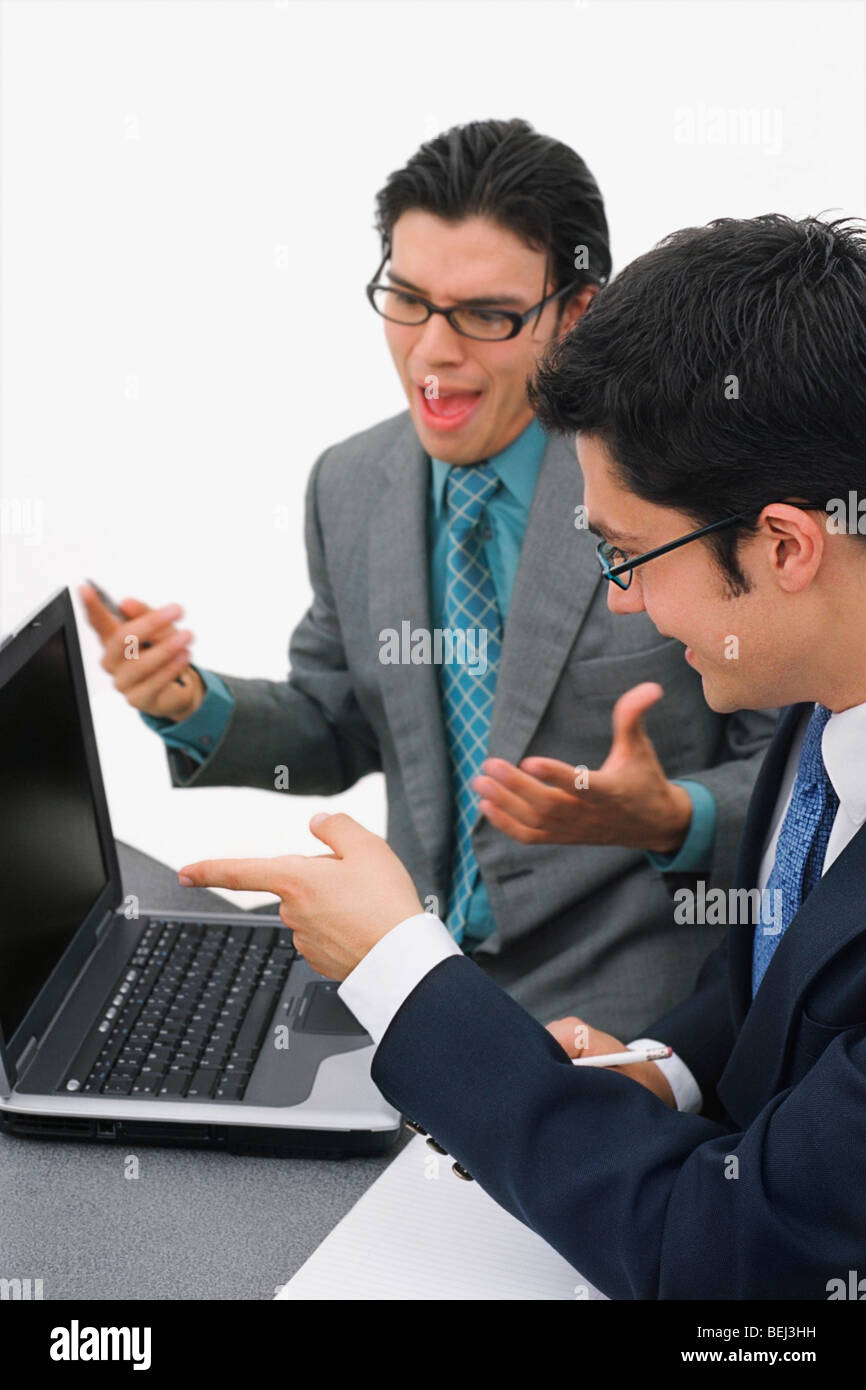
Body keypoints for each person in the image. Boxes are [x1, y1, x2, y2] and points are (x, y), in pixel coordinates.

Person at [178, 213, 866, 1300]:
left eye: (629, 553)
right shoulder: (821, 694)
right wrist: (668, 1071)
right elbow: (792, 978)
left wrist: (395, 969)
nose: (623, 596)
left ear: (783, 545)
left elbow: (728, 1253)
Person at [81, 119, 775, 1039]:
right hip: (408, 969)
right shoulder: (349, 482)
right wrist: (193, 704)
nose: (433, 351)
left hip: (632, 992)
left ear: (577, 313)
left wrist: (668, 817)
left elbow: (802, 765)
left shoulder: (669, 488)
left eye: (486, 315)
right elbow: (339, 724)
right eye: (407, 299)